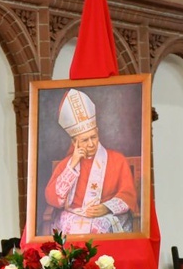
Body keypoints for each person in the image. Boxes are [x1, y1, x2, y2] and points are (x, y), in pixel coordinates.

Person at [44, 88, 138, 235]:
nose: (91, 144)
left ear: (98, 132)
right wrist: (72, 165)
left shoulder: (117, 160)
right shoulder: (67, 164)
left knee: (99, 228)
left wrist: (106, 207)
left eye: (93, 137)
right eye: (84, 140)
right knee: (72, 229)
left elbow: (128, 194)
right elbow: (53, 199)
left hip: (106, 214)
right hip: (74, 215)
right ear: (75, 143)